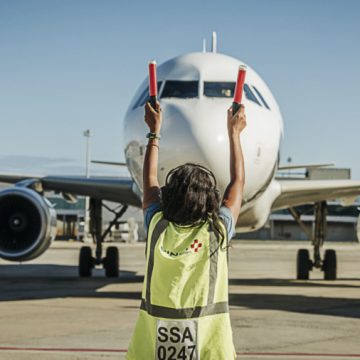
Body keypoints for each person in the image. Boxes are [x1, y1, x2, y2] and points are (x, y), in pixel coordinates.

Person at [126, 100, 246, 360]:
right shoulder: (217, 232)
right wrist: (234, 134)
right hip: (210, 349)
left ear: (168, 196)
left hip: (151, 349)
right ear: (211, 200)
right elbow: (237, 183)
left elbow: (149, 182)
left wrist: (154, 132)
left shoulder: (157, 227)